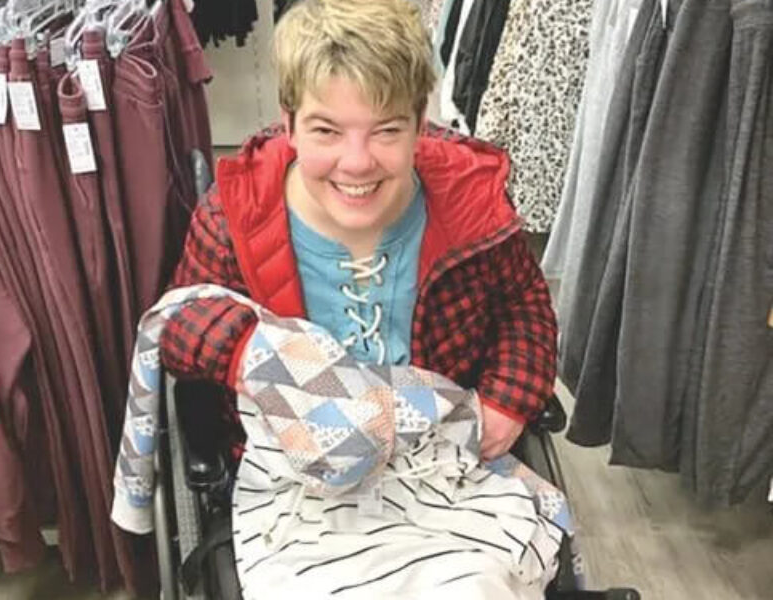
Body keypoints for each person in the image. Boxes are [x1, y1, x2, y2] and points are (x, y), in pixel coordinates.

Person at [159, 0, 557, 471]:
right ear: (289, 125)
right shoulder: (236, 213)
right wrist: (247, 350)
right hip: (294, 471)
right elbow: (179, 326)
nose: (357, 162)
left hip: (443, 458)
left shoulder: (475, 207)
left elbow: (523, 306)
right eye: (327, 130)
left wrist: (508, 401)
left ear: (418, 126)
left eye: (386, 131)